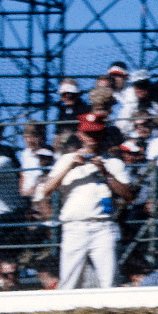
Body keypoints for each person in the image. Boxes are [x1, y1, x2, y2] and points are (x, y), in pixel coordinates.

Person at [34, 112, 135, 289]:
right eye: (88, 134)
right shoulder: (66, 160)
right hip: (75, 226)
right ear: (80, 135)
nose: (92, 138)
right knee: (69, 281)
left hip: (103, 226)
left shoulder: (113, 163)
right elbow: (46, 190)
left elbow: (128, 195)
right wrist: (69, 167)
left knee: (109, 280)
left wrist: (106, 173)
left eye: (96, 133)